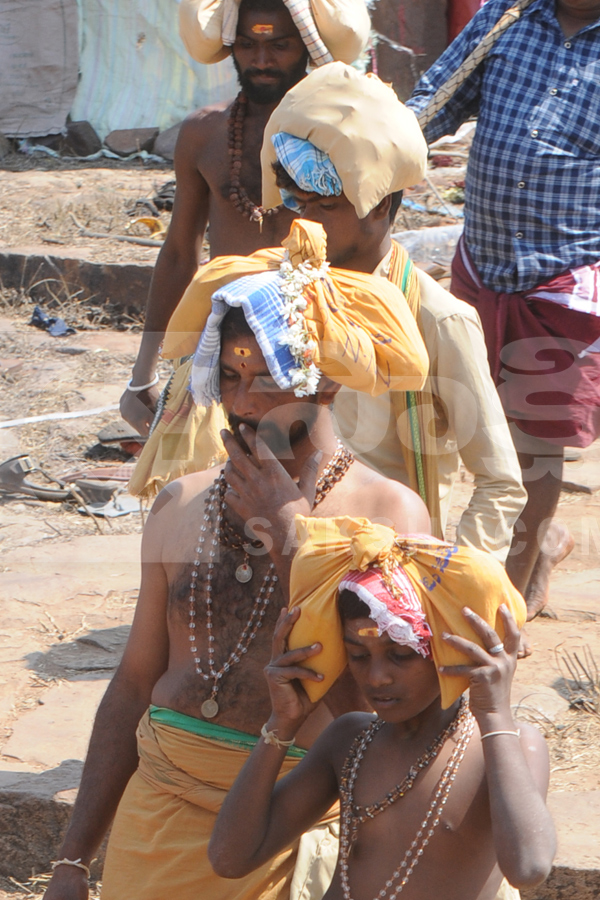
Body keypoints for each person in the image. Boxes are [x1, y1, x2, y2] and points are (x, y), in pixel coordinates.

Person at [43, 220, 430, 900]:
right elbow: (134, 685)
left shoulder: (389, 517)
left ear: (328, 387)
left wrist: (293, 548)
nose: (245, 404)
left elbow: (386, 714)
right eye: (229, 376)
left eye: (269, 380)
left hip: (283, 827)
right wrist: (73, 862)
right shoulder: (178, 505)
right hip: (154, 831)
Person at [209, 514, 556, 900]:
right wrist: (281, 725)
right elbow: (230, 858)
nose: (376, 677)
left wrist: (495, 715)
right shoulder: (350, 740)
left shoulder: (509, 744)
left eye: (400, 655)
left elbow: (529, 867)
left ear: (449, 649)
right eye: (357, 655)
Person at [259, 62, 526, 561]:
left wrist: (451, 585)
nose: (304, 221)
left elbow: (499, 483)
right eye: (296, 204)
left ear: (378, 205)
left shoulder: (437, 319)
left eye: (324, 206)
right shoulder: (276, 293)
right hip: (281, 548)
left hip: (391, 563)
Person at [407, 0, 600, 617]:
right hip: (482, 266)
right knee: (462, 421)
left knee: (535, 436)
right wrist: (363, 139)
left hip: (565, 276)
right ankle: (534, 542)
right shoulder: (506, 17)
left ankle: (503, 606)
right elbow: (433, 103)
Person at [120, 0, 369, 436]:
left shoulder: (340, 131)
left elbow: (367, 249)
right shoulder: (203, 133)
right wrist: (142, 374)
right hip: (225, 350)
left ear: (308, 47)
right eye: (248, 45)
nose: (262, 60)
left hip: (322, 349)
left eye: (280, 45)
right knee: (212, 487)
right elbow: (180, 254)